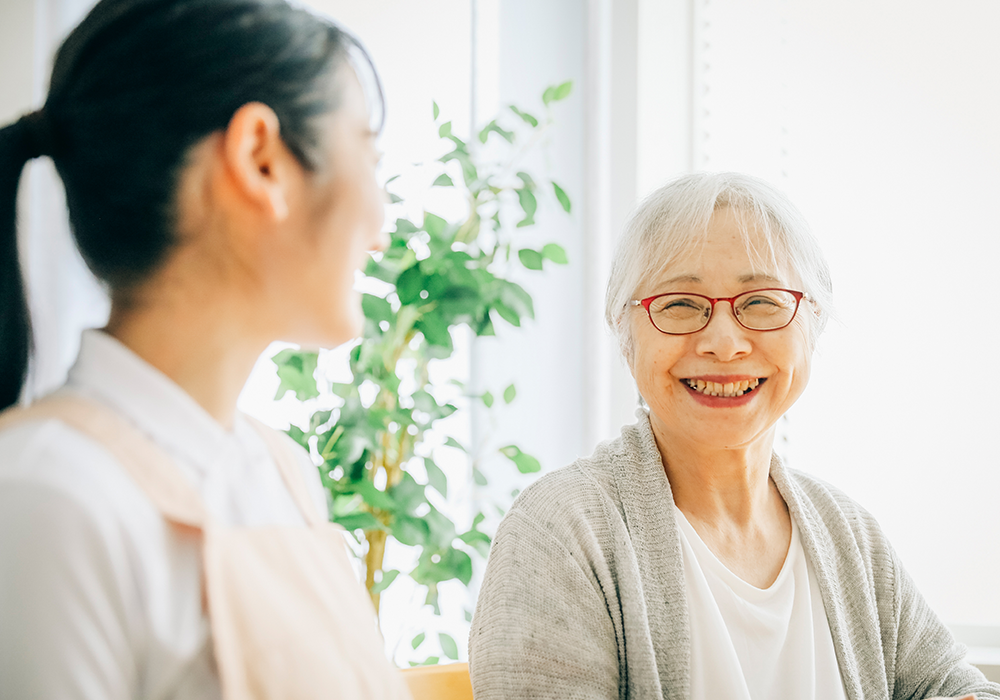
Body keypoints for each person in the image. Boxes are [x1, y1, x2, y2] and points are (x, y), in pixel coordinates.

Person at [0, 0, 411, 698]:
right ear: (260, 160)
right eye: (367, 156)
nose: (382, 228)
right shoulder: (44, 498)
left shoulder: (282, 472)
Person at [468, 172, 999, 700]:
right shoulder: (561, 534)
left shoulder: (851, 538)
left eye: (762, 302)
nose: (724, 344)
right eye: (678, 304)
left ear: (812, 323)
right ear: (625, 333)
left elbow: (951, 687)